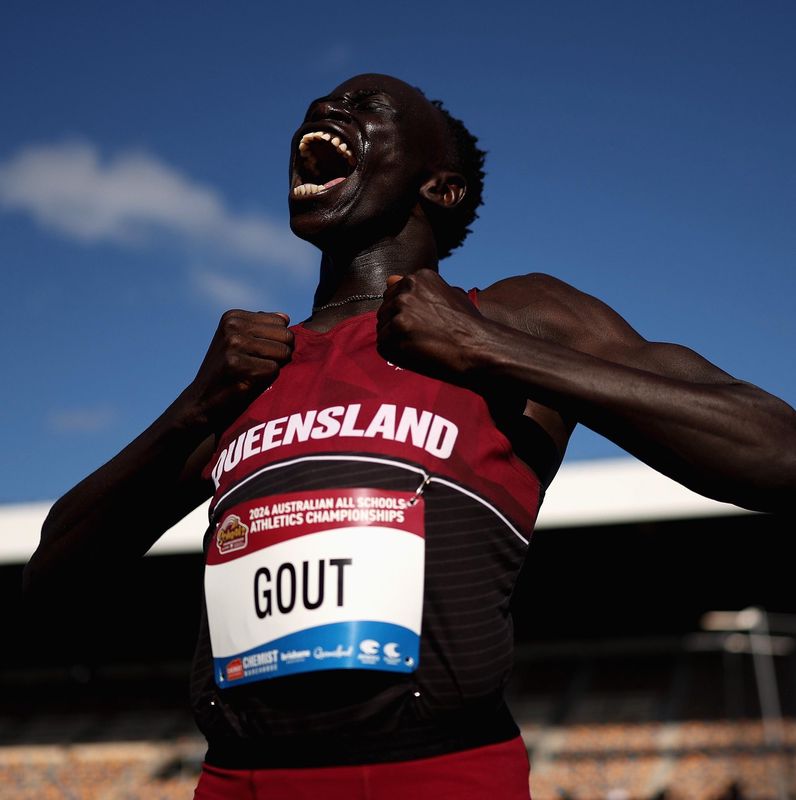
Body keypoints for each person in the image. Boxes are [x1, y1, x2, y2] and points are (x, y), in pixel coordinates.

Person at [24, 74, 796, 799]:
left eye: (365, 104)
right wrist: (192, 409)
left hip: (436, 771)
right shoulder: (245, 375)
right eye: (318, 102)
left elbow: (777, 453)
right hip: (241, 778)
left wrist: (488, 349)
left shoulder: (515, 316)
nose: (324, 111)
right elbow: (52, 582)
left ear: (441, 185)